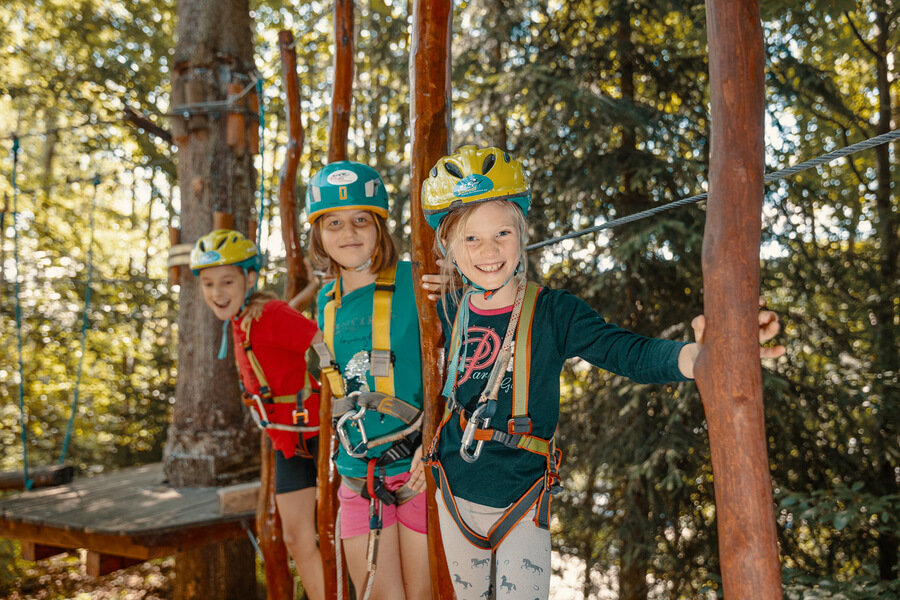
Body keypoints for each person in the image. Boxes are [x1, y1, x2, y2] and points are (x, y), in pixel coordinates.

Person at [419, 145, 786, 599]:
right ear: (448, 247)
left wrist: (699, 356)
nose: (489, 250)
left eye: (502, 234)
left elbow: (627, 352)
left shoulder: (555, 313)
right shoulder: (450, 307)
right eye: (470, 239)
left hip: (521, 497)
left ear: (523, 234)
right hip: (454, 490)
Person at [305, 161, 431, 600]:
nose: (348, 232)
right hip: (358, 475)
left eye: (361, 219)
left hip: (417, 469)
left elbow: (456, 367)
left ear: (380, 226)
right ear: (318, 234)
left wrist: (455, 283)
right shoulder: (327, 301)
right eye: (333, 223)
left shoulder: (418, 281)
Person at [189, 229, 325, 600]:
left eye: (227, 281)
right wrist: (309, 292)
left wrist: (342, 386)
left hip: (316, 433)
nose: (217, 292)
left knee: (336, 531)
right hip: (286, 442)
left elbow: (315, 337)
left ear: (249, 279)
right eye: (209, 283)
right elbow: (283, 321)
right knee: (297, 537)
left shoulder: (269, 313)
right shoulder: (245, 316)